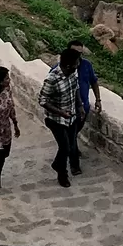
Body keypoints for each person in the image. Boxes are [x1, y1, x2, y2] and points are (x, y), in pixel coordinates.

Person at [39, 47, 82, 188]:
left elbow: (75, 89)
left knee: (71, 145)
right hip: (56, 119)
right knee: (65, 148)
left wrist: (79, 105)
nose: (78, 66)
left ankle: (58, 164)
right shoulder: (52, 79)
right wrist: (60, 112)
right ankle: (61, 173)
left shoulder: (73, 73)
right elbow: (43, 100)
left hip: (72, 117)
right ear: (68, 65)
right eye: (76, 63)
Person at [66, 36, 102, 175]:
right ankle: (74, 165)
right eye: (75, 53)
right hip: (67, 111)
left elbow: (94, 81)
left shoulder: (86, 65)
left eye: (80, 53)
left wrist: (98, 100)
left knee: (73, 135)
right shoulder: (61, 69)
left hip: (83, 109)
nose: (78, 56)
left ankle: (69, 153)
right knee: (71, 135)